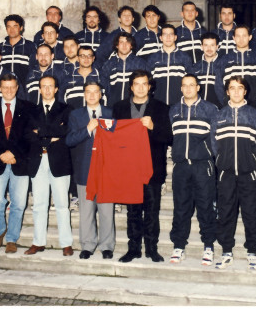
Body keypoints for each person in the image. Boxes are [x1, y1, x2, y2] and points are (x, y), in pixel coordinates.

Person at [113, 70, 173, 263]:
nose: (140, 87)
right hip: (128, 169)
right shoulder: (119, 108)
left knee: (152, 210)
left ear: (149, 86)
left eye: (144, 84)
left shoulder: (161, 108)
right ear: (131, 86)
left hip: (152, 168)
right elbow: (113, 139)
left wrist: (153, 127)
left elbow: (169, 137)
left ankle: (152, 248)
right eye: (136, 84)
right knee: (133, 211)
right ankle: (133, 249)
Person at [210, 76, 256, 270]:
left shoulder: (254, 115)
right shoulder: (219, 115)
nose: (235, 92)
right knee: (225, 212)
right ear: (227, 92)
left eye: (239, 88)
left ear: (245, 91)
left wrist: (253, 162)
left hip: (249, 174)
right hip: (225, 174)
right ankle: (226, 250)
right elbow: (213, 143)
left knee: (252, 213)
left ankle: (252, 251)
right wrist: (221, 162)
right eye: (232, 88)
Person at [168, 74, 218, 265]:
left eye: (192, 85)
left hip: (202, 166)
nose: (188, 89)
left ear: (198, 87)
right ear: (181, 88)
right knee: (181, 207)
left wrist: (207, 156)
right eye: (184, 85)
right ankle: (179, 245)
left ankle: (208, 246)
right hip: (181, 167)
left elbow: (216, 139)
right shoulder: (173, 110)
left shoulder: (210, 109)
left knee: (206, 207)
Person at [0, 73, 34, 253]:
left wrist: (14, 153)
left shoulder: (28, 108)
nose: (9, 91)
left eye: (12, 87)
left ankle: (11, 239)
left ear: (17, 87)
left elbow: (30, 137)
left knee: (18, 204)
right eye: (5, 87)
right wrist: (1, 154)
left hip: (20, 162)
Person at [24, 75, 74, 256]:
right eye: (43, 86)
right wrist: (50, 135)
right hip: (38, 161)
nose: (46, 90)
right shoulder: (31, 111)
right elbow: (27, 135)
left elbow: (65, 131)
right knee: (39, 204)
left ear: (56, 89)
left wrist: (40, 133)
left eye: (50, 86)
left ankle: (66, 243)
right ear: (39, 89)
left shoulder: (66, 109)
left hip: (59, 161)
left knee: (62, 204)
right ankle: (38, 242)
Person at [66, 81, 114, 260]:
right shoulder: (76, 115)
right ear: (84, 95)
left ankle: (107, 245)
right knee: (86, 210)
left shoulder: (110, 113)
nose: (92, 95)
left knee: (106, 210)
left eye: (95, 92)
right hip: (84, 168)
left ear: (101, 94)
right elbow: (69, 140)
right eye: (88, 92)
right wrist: (87, 129)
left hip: (105, 170)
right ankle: (87, 245)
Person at [215, 24, 256, 111]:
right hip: (230, 107)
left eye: (244, 36)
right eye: (238, 36)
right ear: (233, 38)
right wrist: (225, 101)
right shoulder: (225, 59)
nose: (241, 39)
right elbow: (218, 84)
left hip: (254, 107)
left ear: (250, 37)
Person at [146, 24, 191, 105]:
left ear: (175, 37)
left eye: (171, 34)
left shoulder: (185, 57)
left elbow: (190, 82)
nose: (168, 37)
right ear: (161, 38)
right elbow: (147, 83)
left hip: (179, 104)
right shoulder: (153, 58)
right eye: (165, 34)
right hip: (157, 104)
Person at [100, 32, 146, 108]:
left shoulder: (140, 63)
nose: (124, 45)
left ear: (131, 45)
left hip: (134, 108)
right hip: (114, 107)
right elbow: (104, 88)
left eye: (127, 42)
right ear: (117, 45)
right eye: (121, 42)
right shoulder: (109, 64)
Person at [0, 14, 37, 88]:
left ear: (21, 28)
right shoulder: (0, 47)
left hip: (24, 90)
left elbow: (34, 69)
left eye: (15, 26)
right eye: (9, 27)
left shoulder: (30, 46)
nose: (12, 30)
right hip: (5, 90)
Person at [189, 32, 222, 108]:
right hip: (198, 109)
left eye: (212, 45)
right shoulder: (195, 67)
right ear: (201, 47)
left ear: (217, 47)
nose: (209, 49)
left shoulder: (223, 65)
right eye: (206, 45)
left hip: (218, 109)